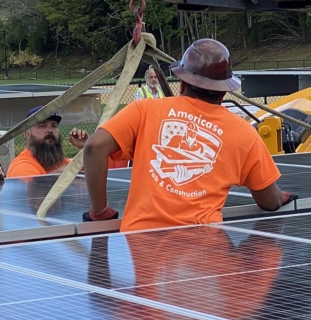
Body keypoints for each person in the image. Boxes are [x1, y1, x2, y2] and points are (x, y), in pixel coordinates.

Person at [82, 38, 296, 231]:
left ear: (182, 82)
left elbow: (94, 148)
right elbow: (269, 201)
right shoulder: (243, 132)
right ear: (223, 91)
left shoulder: (144, 110)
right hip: (206, 244)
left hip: (142, 244)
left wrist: (99, 212)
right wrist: (280, 197)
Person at [6, 108, 89, 178]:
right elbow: (33, 193)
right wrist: (56, 175)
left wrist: (88, 148)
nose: (50, 130)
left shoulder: (59, 162)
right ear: (27, 134)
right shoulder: (21, 166)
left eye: (54, 126)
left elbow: (95, 173)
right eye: (42, 126)